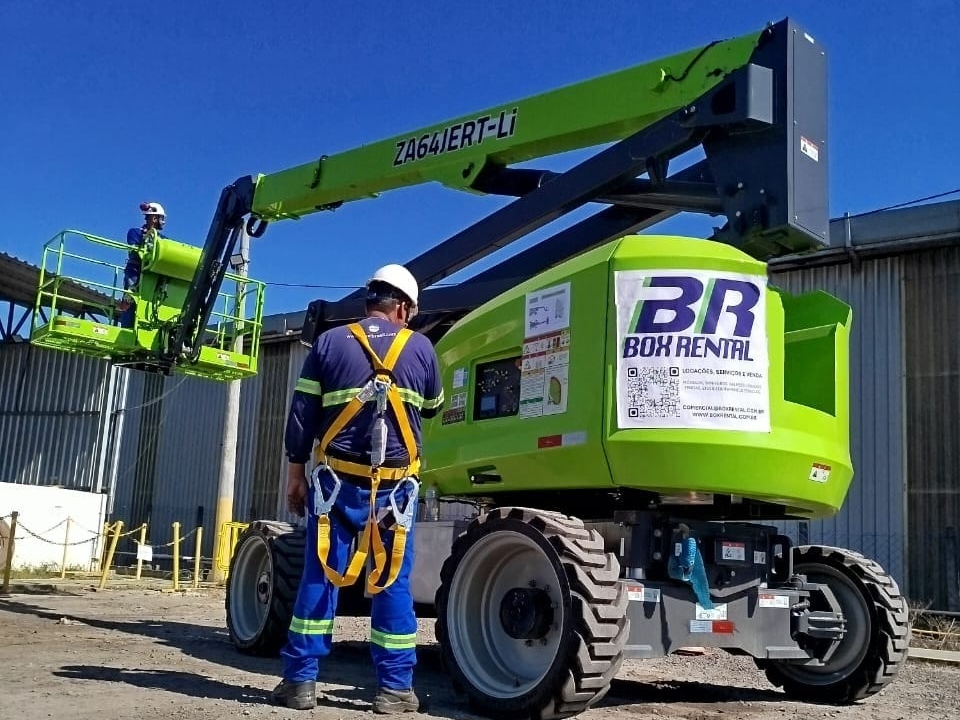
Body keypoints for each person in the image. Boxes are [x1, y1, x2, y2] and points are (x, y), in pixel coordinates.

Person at [272, 263, 444, 714]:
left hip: (333, 486)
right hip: (393, 493)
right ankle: (393, 691)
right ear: (403, 307)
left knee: (321, 576)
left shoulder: (329, 342)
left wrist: (295, 475)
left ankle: (300, 684)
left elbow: (301, 415)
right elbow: (433, 407)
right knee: (391, 583)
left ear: (371, 301)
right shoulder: (420, 347)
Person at [117, 201, 166, 328]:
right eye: (162, 218)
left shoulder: (164, 240)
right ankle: (127, 328)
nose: (164, 222)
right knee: (131, 299)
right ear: (154, 218)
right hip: (134, 273)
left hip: (152, 275)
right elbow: (136, 251)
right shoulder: (135, 233)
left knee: (154, 303)